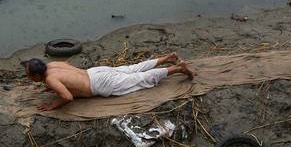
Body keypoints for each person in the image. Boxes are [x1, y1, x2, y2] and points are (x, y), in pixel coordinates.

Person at [23, 53, 193, 110]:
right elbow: (67, 75)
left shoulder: (51, 79)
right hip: (95, 72)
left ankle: (177, 69)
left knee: (139, 79)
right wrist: (55, 87)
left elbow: (67, 97)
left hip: (99, 84)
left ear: (38, 76)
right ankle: (168, 58)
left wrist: (52, 106)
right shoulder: (52, 65)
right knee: (133, 68)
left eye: (30, 76)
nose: (29, 78)